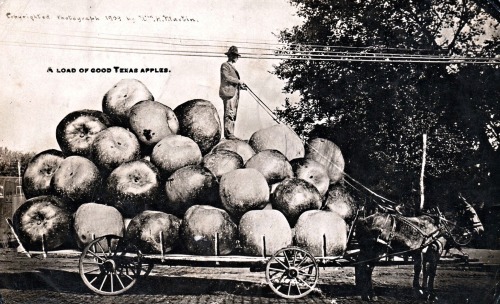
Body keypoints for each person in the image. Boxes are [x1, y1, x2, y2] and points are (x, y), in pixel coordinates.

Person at [219, 46, 246, 140]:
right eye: (235, 56)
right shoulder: (225, 66)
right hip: (228, 93)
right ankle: (229, 134)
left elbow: (232, 81)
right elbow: (226, 78)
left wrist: (240, 86)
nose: (236, 58)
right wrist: (238, 81)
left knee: (233, 113)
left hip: (234, 93)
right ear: (230, 56)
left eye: (236, 56)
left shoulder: (232, 67)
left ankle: (231, 133)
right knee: (229, 112)